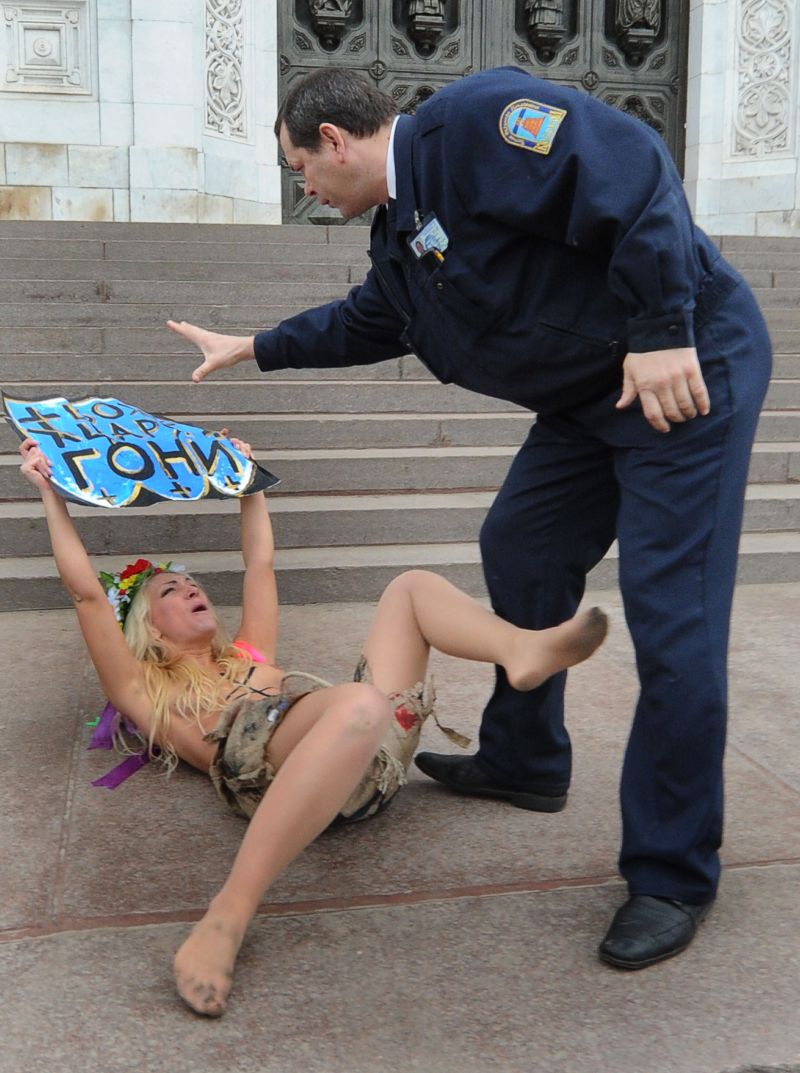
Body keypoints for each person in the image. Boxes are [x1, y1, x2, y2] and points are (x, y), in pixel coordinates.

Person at [165, 65, 773, 970]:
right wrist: (254, 347)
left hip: (682, 373)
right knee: (519, 542)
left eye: (300, 168)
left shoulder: (475, 124)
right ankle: (526, 760)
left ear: (334, 141)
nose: (304, 187)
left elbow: (631, 164)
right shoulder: (401, 239)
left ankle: (673, 871)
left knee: (672, 620)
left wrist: (662, 327)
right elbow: (367, 322)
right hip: (589, 398)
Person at [19, 434, 608, 1016]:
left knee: (411, 588)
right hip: (286, 774)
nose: (191, 586)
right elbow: (88, 597)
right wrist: (51, 493)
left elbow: (260, 563)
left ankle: (521, 650)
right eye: (170, 590)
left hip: (368, 757)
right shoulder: (151, 695)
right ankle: (229, 914)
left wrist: (246, 483)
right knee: (358, 704)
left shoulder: (250, 655)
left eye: (191, 582)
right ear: (149, 630)